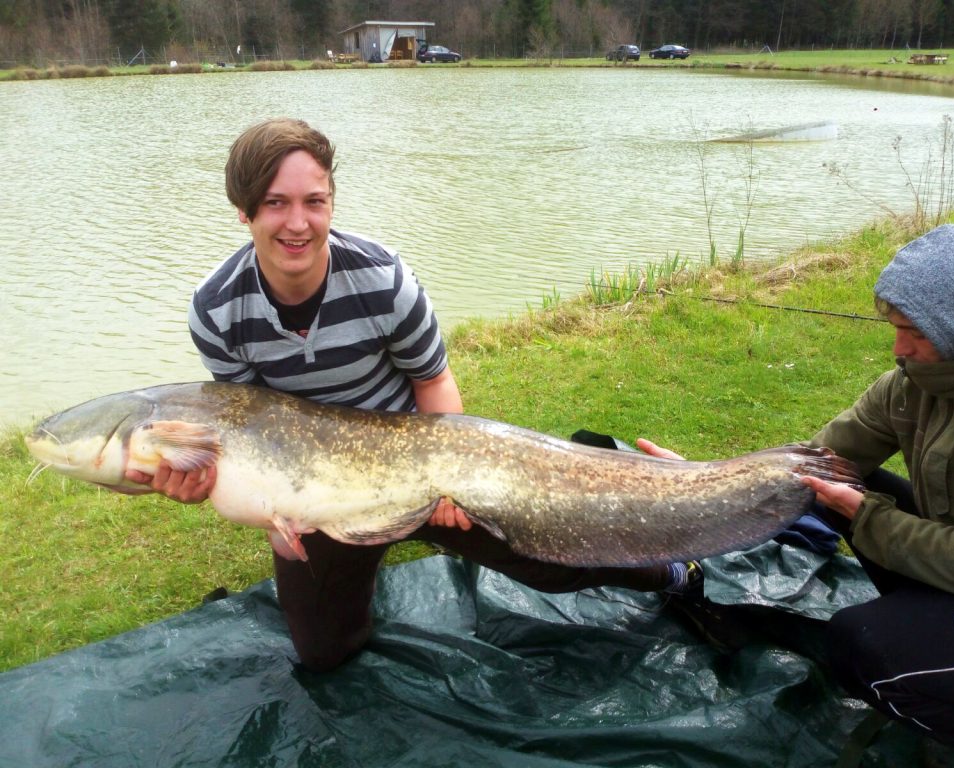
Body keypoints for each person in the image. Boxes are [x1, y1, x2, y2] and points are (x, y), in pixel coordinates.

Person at [127, 117, 697, 672]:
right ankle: (353, 575)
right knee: (324, 652)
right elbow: (249, 425)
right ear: (244, 210)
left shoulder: (383, 278)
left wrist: (445, 478)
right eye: (276, 203)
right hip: (320, 491)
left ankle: (667, 571)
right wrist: (243, 493)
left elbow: (433, 381)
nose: (297, 223)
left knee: (546, 547)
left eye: (314, 201)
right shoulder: (216, 311)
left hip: (420, 459)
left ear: (331, 203)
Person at [645, 220, 954, 763]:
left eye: (914, 332)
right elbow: (812, 460)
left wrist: (868, 518)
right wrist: (705, 479)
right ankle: (936, 624)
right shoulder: (914, 381)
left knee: (860, 644)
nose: (898, 347)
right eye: (895, 326)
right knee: (840, 476)